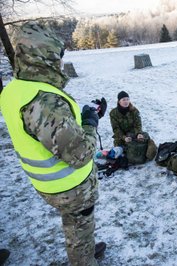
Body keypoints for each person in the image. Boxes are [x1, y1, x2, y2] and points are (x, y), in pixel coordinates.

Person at [0, 22, 106, 265]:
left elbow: (46, 131)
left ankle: (84, 248)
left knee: (76, 223)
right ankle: (83, 257)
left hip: (46, 182)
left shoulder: (14, 90)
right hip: (70, 186)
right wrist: (91, 122)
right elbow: (80, 153)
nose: (59, 61)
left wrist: (82, 116)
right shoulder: (44, 101)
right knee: (79, 222)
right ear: (43, 56)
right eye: (56, 55)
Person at [109, 90, 157, 164]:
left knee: (142, 141)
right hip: (121, 137)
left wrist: (138, 133)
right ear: (119, 101)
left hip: (133, 134)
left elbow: (138, 124)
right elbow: (116, 129)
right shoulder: (113, 113)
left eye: (127, 99)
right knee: (119, 151)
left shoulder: (134, 111)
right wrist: (124, 137)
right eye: (123, 100)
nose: (126, 101)